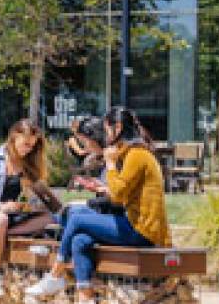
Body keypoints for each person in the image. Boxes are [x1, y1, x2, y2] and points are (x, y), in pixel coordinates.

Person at [27, 107, 170, 302]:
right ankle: (86, 296)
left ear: (117, 127)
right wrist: (103, 187)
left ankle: (55, 274)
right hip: (135, 224)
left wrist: (110, 165)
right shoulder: (133, 153)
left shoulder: (136, 154)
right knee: (80, 239)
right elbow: (123, 192)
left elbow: (119, 195)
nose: (106, 134)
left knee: (76, 217)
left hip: (142, 230)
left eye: (107, 129)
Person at [0, 119, 64, 301]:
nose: (28, 149)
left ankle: (0, 235)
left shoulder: (28, 165)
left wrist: (33, 201)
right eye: (26, 144)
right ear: (14, 137)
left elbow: (40, 199)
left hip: (17, 216)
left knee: (48, 218)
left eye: (32, 146)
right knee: (0, 219)